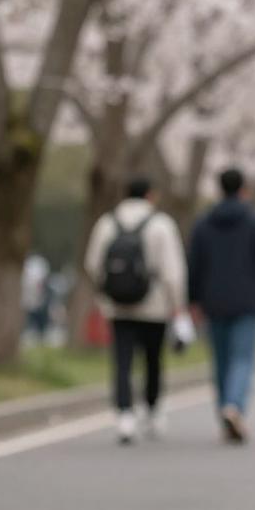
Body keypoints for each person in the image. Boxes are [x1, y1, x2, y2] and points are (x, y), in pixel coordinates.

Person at [85, 177, 187, 444]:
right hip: (154, 305)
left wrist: (106, 292)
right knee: (153, 359)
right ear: (150, 196)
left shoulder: (107, 223)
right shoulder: (161, 224)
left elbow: (93, 263)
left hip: (118, 306)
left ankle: (124, 415)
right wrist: (177, 306)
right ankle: (152, 409)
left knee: (122, 360)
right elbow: (173, 271)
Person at [188, 167, 255, 444]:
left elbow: (194, 264)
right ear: (244, 190)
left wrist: (193, 300)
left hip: (213, 300)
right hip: (248, 300)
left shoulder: (203, 223)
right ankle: (234, 406)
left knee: (221, 360)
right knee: (242, 358)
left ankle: (225, 411)